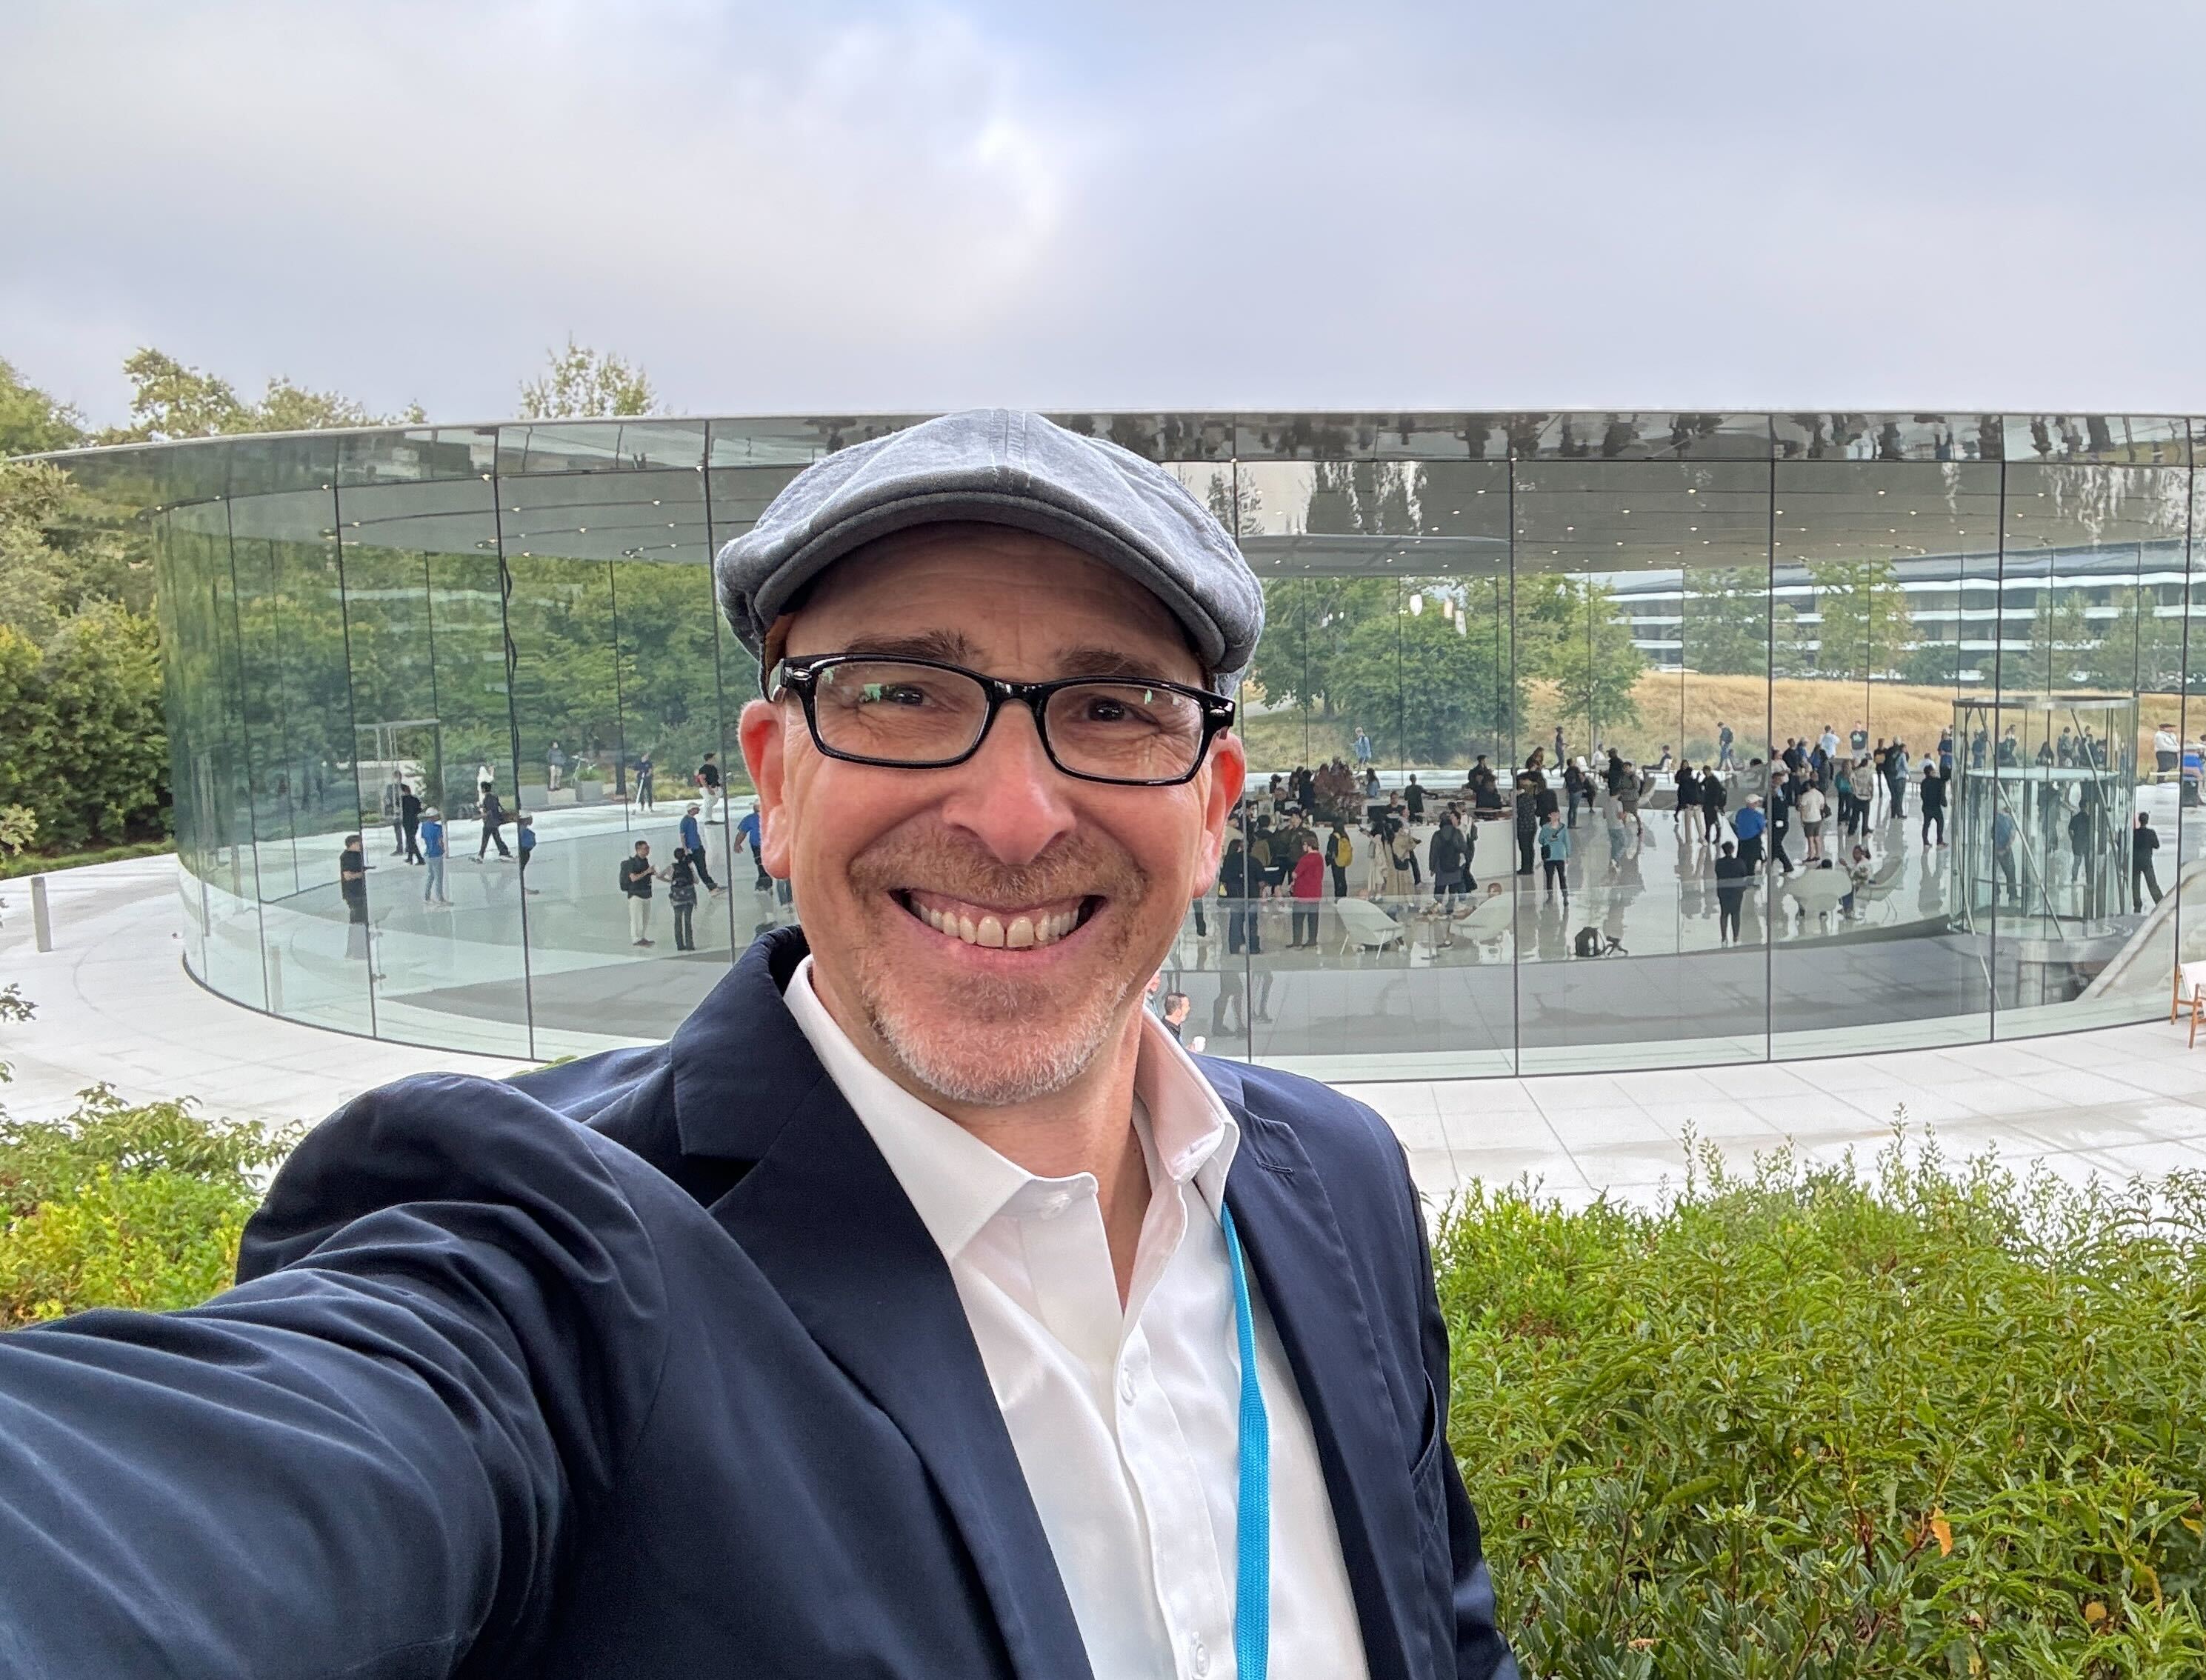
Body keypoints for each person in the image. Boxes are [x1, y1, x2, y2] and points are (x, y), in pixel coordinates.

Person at [0, 409, 1516, 1678]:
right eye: (903, 696)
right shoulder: (564, 1256)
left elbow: (1445, 1635)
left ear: (1209, 805)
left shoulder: (1338, 1187)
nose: (1010, 812)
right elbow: (221, 1487)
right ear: (775, 781)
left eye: (1111, 706)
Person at [339, 833, 375, 969]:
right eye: (359, 843)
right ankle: (356, 952)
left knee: (359, 922)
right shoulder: (346, 857)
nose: (361, 845)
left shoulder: (356, 856)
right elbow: (348, 876)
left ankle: (357, 951)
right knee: (357, 922)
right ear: (352, 844)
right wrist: (362, 874)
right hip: (353, 894)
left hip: (359, 893)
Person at [1287, 839, 1325, 947]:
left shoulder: (1305, 859)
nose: (1303, 847)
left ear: (1308, 846)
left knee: (1298, 919)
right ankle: (1312, 940)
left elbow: (1295, 874)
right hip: (1315, 894)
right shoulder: (1320, 858)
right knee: (1313, 919)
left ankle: (1297, 942)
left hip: (1303, 894)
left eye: (1304, 845)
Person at [1711, 839, 1751, 942]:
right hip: (1737, 891)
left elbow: (1718, 873)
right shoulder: (1739, 862)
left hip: (1723, 891)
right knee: (1736, 913)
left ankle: (1724, 936)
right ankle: (1736, 936)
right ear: (1733, 850)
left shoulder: (1719, 863)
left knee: (1724, 913)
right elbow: (1744, 874)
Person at [619, 839, 657, 946]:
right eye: (645, 849)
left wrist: (651, 873)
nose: (648, 851)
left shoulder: (645, 861)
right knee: (636, 918)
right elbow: (633, 878)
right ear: (638, 850)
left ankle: (642, 937)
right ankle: (636, 938)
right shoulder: (632, 862)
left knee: (645, 918)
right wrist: (647, 872)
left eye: (648, 848)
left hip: (646, 893)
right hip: (636, 894)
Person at [679, 801, 723, 892]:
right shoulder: (685, 821)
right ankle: (712, 887)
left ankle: (712, 885)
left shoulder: (693, 820)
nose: (699, 810)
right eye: (697, 809)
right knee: (701, 869)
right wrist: (686, 849)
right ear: (691, 810)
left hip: (698, 847)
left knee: (703, 868)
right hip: (693, 849)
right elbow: (682, 836)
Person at [665, 844, 701, 951]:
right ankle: (690, 944)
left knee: (677, 921)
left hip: (676, 898)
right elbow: (697, 881)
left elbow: (659, 876)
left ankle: (680, 945)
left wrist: (671, 881)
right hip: (689, 898)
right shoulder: (689, 866)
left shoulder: (672, 867)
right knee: (688, 921)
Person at [2130, 811, 2162, 912]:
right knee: (2152, 882)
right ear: (2147, 821)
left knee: (2135, 883)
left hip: (2136, 861)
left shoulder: (2134, 833)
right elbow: (2157, 845)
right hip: (2147, 861)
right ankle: (2159, 900)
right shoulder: (2151, 833)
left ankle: (2137, 903)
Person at [416, 807, 447, 905]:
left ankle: (427, 896)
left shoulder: (424, 826)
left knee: (430, 876)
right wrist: (443, 850)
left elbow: (424, 838)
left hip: (428, 854)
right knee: (439, 877)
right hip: (436, 854)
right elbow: (440, 841)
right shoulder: (438, 828)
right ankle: (440, 898)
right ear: (434, 817)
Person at [1536, 811, 1570, 903]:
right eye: (1553, 815)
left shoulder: (1563, 828)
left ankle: (1565, 896)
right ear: (1549, 815)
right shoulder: (1545, 828)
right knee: (1549, 877)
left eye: (1557, 814)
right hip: (1549, 856)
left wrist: (1568, 855)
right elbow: (1540, 840)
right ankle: (1550, 895)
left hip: (1559, 855)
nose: (1555, 817)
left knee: (1562, 876)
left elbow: (1567, 841)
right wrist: (1548, 839)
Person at [476, 783, 511, 859]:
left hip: (489, 822)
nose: (481, 790)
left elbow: (490, 810)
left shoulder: (488, 798)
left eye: (481, 788)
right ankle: (504, 852)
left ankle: (481, 856)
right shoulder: (494, 797)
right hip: (495, 821)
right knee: (496, 838)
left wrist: (482, 815)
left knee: (486, 839)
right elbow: (498, 808)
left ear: (484, 789)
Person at [513, 810, 539, 896]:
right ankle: (522, 888)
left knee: (522, 870)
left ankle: (522, 888)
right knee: (521, 870)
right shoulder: (523, 830)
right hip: (525, 852)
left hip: (525, 852)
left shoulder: (522, 829)